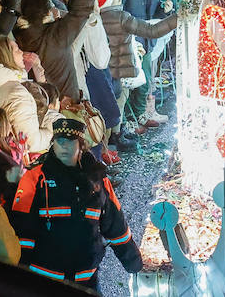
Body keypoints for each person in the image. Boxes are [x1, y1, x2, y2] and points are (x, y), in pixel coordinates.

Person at [9, 116, 142, 288]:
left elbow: (116, 226)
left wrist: (134, 263)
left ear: (81, 146)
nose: (64, 146)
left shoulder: (98, 181)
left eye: (70, 141)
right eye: (59, 141)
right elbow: (22, 229)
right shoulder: (34, 179)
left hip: (86, 280)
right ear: (53, 144)